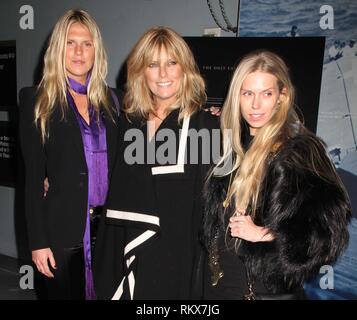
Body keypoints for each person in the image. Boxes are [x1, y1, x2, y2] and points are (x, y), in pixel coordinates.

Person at [202, 50, 351, 300]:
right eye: (247, 93)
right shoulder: (229, 147)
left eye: (266, 94)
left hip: (265, 292)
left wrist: (264, 234)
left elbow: (327, 231)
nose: (256, 105)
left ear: (282, 96)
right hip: (221, 287)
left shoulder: (297, 153)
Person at [93, 26, 219, 300]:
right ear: (141, 72)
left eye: (172, 63)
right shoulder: (125, 123)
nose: (163, 74)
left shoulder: (208, 127)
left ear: (185, 69)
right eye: (153, 64)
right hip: (128, 250)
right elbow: (101, 169)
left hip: (182, 263)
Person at [19, 9, 120, 300]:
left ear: (96, 50)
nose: (79, 52)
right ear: (57, 48)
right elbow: (34, 180)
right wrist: (38, 243)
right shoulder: (37, 100)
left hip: (109, 231)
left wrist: (209, 113)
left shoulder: (114, 100)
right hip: (61, 234)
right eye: (70, 43)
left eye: (87, 43)